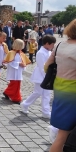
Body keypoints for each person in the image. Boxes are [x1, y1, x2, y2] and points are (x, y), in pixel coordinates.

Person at [46, 19, 76, 152]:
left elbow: (47, 67)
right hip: (72, 93)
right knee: (63, 136)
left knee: (63, 134)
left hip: (60, 89)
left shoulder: (60, 45)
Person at [21, 35, 56, 118]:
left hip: (46, 76)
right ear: (47, 44)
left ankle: (46, 112)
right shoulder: (40, 53)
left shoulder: (49, 52)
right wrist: (47, 78)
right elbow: (42, 67)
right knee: (38, 92)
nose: (53, 46)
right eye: (52, 44)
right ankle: (25, 104)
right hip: (41, 77)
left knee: (47, 94)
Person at [2, 39, 31, 104]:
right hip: (13, 71)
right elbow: (9, 62)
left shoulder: (21, 53)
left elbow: (24, 61)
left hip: (18, 71)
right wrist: (18, 64)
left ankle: (7, 92)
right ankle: (16, 98)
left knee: (17, 84)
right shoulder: (11, 53)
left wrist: (23, 64)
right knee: (14, 84)